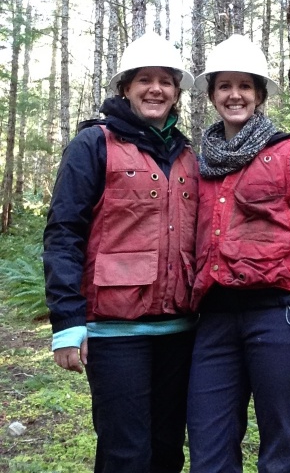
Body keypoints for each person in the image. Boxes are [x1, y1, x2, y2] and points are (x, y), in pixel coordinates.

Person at [186, 34, 290, 473]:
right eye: (224, 86)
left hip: (281, 315)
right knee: (208, 447)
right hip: (214, 319)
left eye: (244, 86)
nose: (234, 95)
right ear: (213, 94)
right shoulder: (200, 164)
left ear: (258, 94)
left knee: (283, 448)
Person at [43, 32, 198, 473]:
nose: (156, 89)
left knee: (168, 448)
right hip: (115, 333)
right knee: (125, 452)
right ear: (125, 87)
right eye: (144, 79)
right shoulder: (94, 145)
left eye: (166, 81)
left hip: (180, 330)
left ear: (176, 92)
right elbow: (64, 233)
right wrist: (68, 321)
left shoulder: (187, 155)